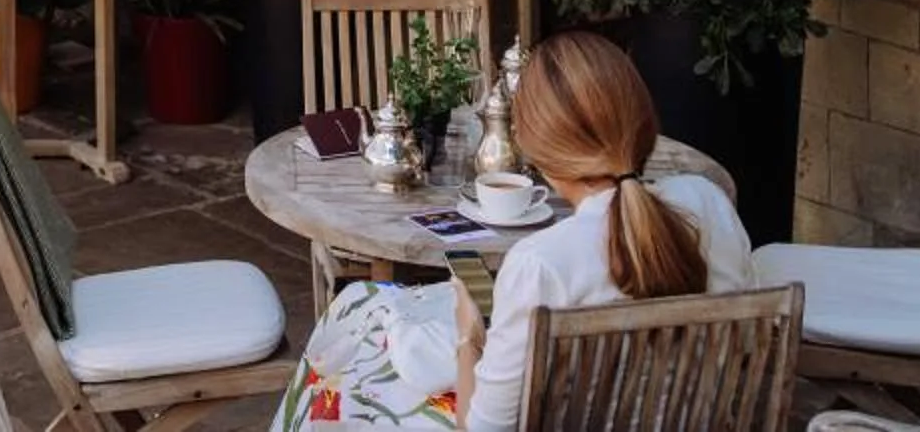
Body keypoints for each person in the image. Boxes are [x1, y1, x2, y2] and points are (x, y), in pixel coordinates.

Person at [276, 30, 755, 432]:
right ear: (644, 124)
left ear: (537, 150)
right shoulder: (706, 202)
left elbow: (482, 428)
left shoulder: (541, 263)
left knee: (350, 378)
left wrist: (471, 336)